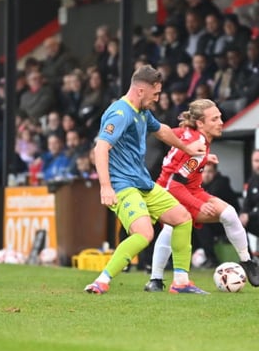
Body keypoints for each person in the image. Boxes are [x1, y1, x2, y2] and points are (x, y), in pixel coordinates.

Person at [83, 65, 206, 295]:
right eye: (155, 93)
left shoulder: (141, 112)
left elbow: (163, 131)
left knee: (182, 218)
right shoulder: (120, 113)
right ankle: (101, 281)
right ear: (141, 90)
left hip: (143, 184)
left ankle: (181, 282)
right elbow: (101, 148)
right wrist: (106, 187)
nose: (158, 99)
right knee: (144, 234)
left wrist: (187, 149)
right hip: (123, 186)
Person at [146, 99, 259, 292]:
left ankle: (247, 261)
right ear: (200, 123)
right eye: (215, 119)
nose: (221, 122)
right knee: (173, 228)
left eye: (220, 117)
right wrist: (198, 205)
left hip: (185, 188)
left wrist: (205, 158)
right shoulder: (198, 144)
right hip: (170, 191)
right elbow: (176, 184)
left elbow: (172, 139)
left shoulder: (189, 134)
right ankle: (159, 279)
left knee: (229, 213)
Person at [192, 161, 239, 268]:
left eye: (210, 172)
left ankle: (211, 259)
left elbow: (209, 202)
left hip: (227, 221)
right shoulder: (198, 185)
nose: (206, 175)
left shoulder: (221, 183)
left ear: (215, 172)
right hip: (215, 220)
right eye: (204, 172)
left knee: (200, 223)